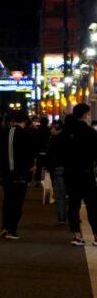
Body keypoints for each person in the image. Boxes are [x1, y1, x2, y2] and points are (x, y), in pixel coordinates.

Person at [61, 104, 97, 246]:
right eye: (88, 114)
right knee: (92, 205)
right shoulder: (89, 132)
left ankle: (76, 235)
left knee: (73, 204)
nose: (90, 116)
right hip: (86, 172)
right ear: (84, 115)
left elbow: (58, 151)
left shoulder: (65, 131)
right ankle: (96, 235)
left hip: (70, 173)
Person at [0, 111, 37, 240]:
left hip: (6, 174)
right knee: (17, 203)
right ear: (25, 121)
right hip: (21, 174)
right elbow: (30, 154)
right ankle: (12, 229)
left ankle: (4, 226)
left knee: (7, 200)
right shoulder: (27, 134)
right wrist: (30, 168)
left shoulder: (4, 133)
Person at [45, 120, 68, 225]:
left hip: (58, 168)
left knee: (60, 195)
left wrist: (48, 169)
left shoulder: (54, 138)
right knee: (74, 195)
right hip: (73, 169)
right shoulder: (72, 137)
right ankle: (74, 216)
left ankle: (61, 217)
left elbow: (49, 154)